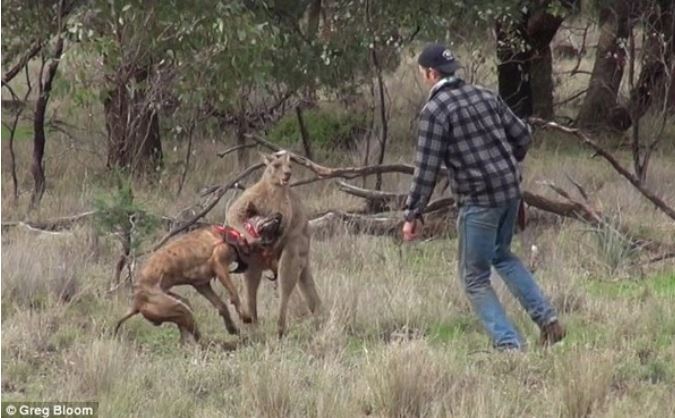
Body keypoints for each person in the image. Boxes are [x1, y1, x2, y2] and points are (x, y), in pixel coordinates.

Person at [402, 43, 565, 351]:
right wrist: (503, 164)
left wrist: (413, 214)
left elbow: (426, 168)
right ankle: (548, 321)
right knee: (501, 255)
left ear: (431, 74)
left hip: (479, 201)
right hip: (509, 192)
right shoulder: (485, 95)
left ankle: (509, 345)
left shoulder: (436, 110)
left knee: (473, 278)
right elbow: (523, 137)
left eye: (422, 72)